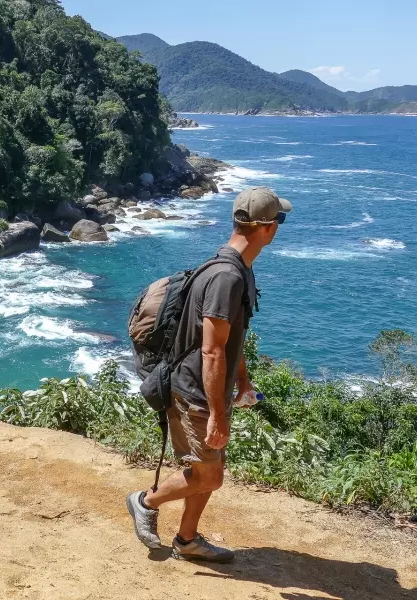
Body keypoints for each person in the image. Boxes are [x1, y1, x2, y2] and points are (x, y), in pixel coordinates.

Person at [126, 187, 292, 562]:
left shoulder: (238, 268)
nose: (279, 227)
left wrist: (243, 379)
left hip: (208, 387)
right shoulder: (226, 277)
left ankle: (187, 541)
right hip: (196, 391)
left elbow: (230, 338)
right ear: (267, 228)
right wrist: (217, 413)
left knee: (206, 468)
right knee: (209, 475)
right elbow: (212, 350)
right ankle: (144, 501)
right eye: (279, 220)